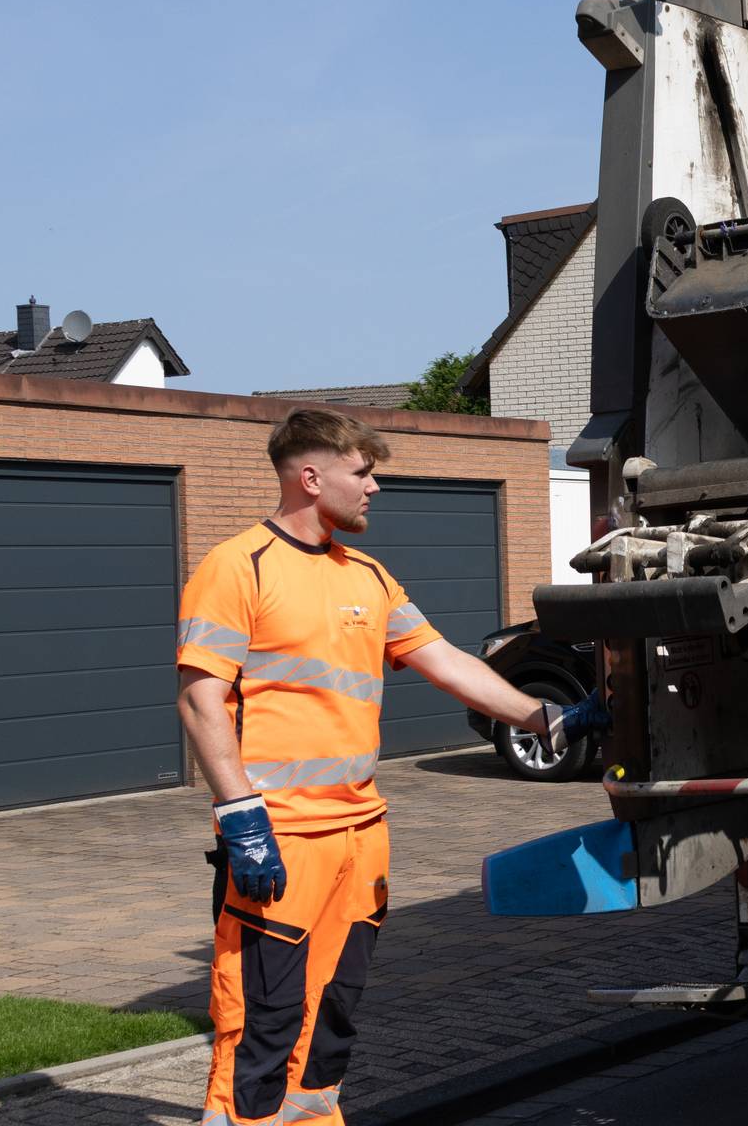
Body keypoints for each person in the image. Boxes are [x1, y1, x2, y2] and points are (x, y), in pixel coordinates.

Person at [177, 408, 605, 1126]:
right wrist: (240, 814)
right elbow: (200, 700)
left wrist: (543, 716)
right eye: (363, 472)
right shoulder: (237, 566)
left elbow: (446, 663)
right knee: (264, 1017)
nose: (374, 488)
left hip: (361, 834)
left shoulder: (369, 576)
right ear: (311, 478)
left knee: (336, 1014)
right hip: (280, 841)